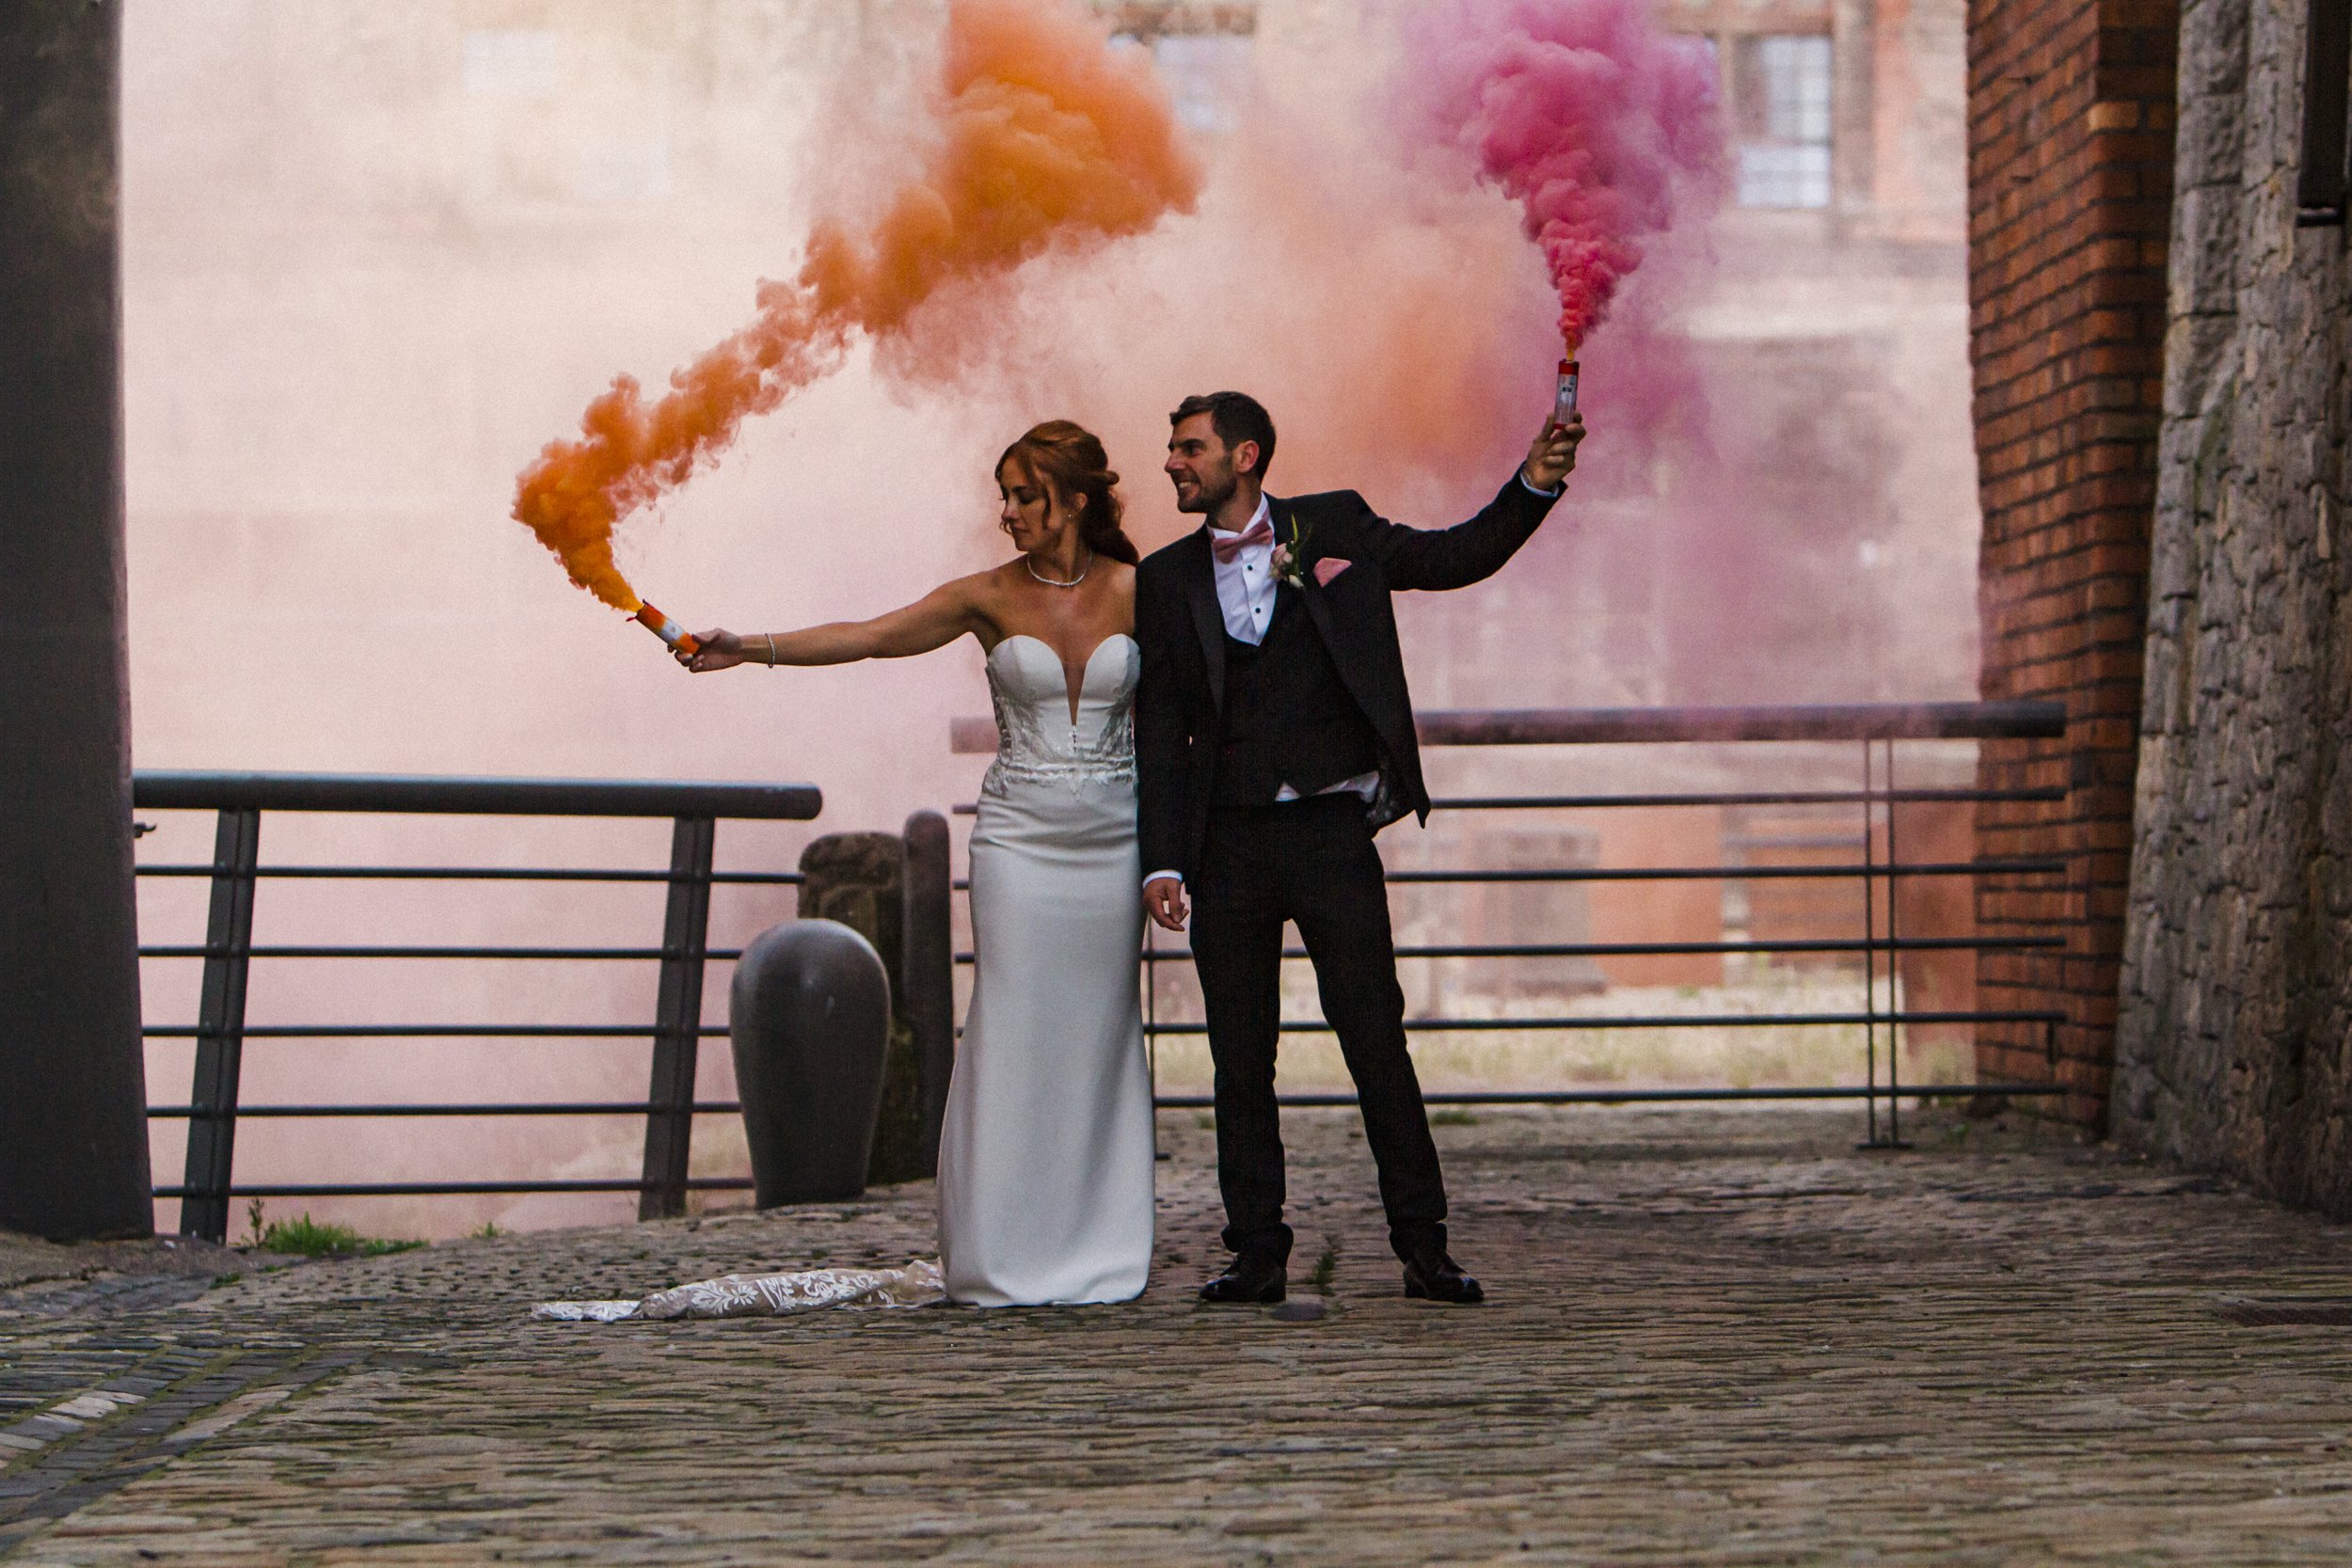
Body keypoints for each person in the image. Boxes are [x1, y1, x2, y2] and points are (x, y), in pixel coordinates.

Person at [681, 420, 1152, 1307]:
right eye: (1003, 496)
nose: (1008, 513)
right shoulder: (986, 596)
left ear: (1077, 499)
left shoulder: (1142, 590)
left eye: (1025, 494)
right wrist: (747, 646)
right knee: (1013, 1026)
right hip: (1018, 843)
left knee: (1098, 1032)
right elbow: (871, 634)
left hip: (1114, 844)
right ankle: (1000, 1248)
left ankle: (1099, 1246)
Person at [1135, 390, 1583, 1307]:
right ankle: (1256, 1251)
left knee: (1376, 1038)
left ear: (1245, 454)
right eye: (1171, 450)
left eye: (1189, 447)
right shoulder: (1163, 576)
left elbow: (1448, 556)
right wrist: (1163, 858)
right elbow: (1162, 726)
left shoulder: (1330, 524)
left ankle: (1424, 1245)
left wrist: (1532, 484)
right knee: (1238, 1055)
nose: (1172, 463)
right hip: (1227, 846)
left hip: (1331, 832)